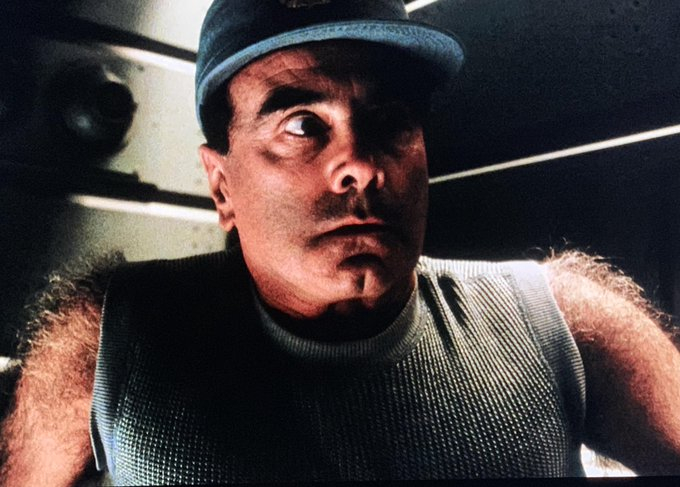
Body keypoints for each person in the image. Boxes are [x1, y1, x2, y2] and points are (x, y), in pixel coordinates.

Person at [2, 0, 680, 484]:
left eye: (390, 119)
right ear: (222, 186)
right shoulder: (105, 342)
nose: (361, 164)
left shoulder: (563, 319)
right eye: (302, 124)